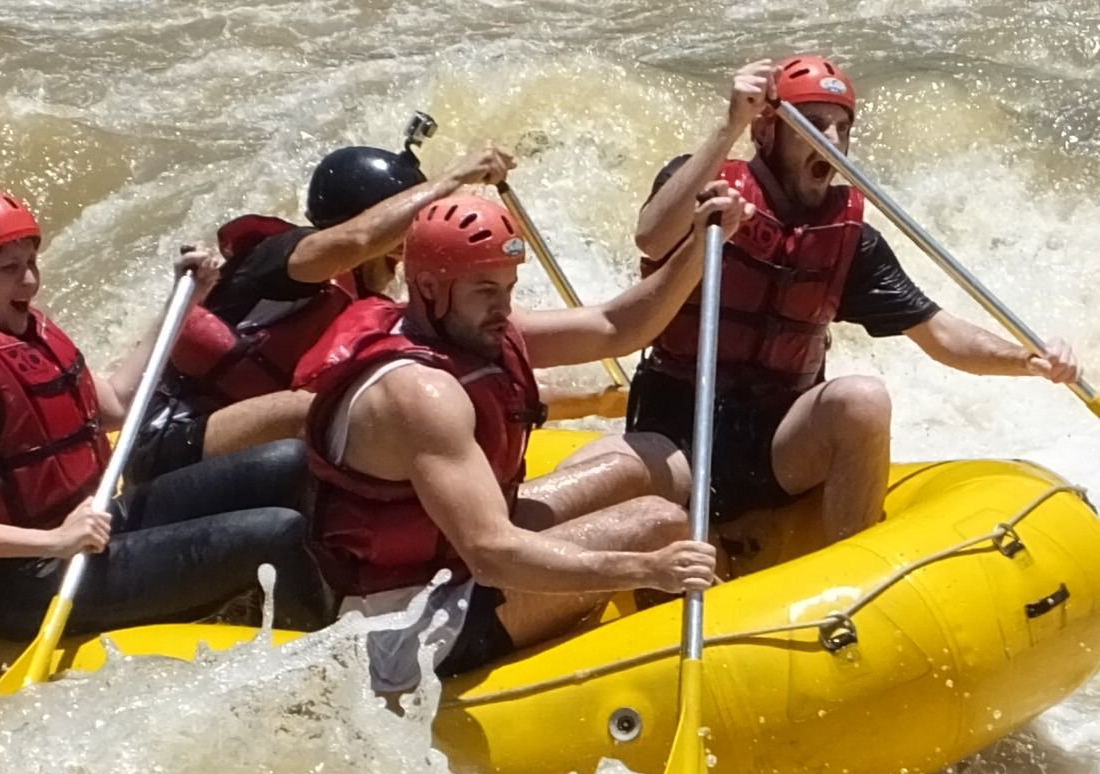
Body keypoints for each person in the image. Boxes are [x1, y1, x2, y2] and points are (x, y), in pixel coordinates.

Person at [292, 188, 750, 689]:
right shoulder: (417, 394)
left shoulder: (463, 326)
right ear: (427, 286)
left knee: (651, 463)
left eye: (509, 287)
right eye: (486, 289)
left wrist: (700, 245)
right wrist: (646, 568)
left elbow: (615, 327)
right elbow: (491, 555)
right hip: (408, 623)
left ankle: (716, 604)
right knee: (658, 524)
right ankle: (719, 672)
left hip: (457, 561)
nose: (503, 307)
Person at [628, 56, 1083, 550]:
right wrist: (729, 124)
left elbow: (941, 334)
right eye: (812, 124)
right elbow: (652, 238)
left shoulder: (850, 242)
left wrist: (1028, 360)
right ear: (765, 132)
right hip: (674, 435)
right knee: (620, 479)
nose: (831, 138)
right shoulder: (706, 191)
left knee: (862, 399)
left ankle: (847, 571)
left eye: (842, 127)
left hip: (775, 447)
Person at [0, 191, 326, 639]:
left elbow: (117, 404)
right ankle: (320, 656)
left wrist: (183, 303)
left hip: (90, 525)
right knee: (276, 533)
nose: (29, 281)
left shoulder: (27, 334)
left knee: (289, 461)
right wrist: (55, 542)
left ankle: (297, 595)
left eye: (31, 263)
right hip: (23, 584)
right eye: (9, 269)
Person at [126, 138, 515, 484]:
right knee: (314, 410)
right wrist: (455, 177)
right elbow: (358, 240)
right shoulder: (280, 258)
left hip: (242, 452)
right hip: (165, 443)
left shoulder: (370, 301)